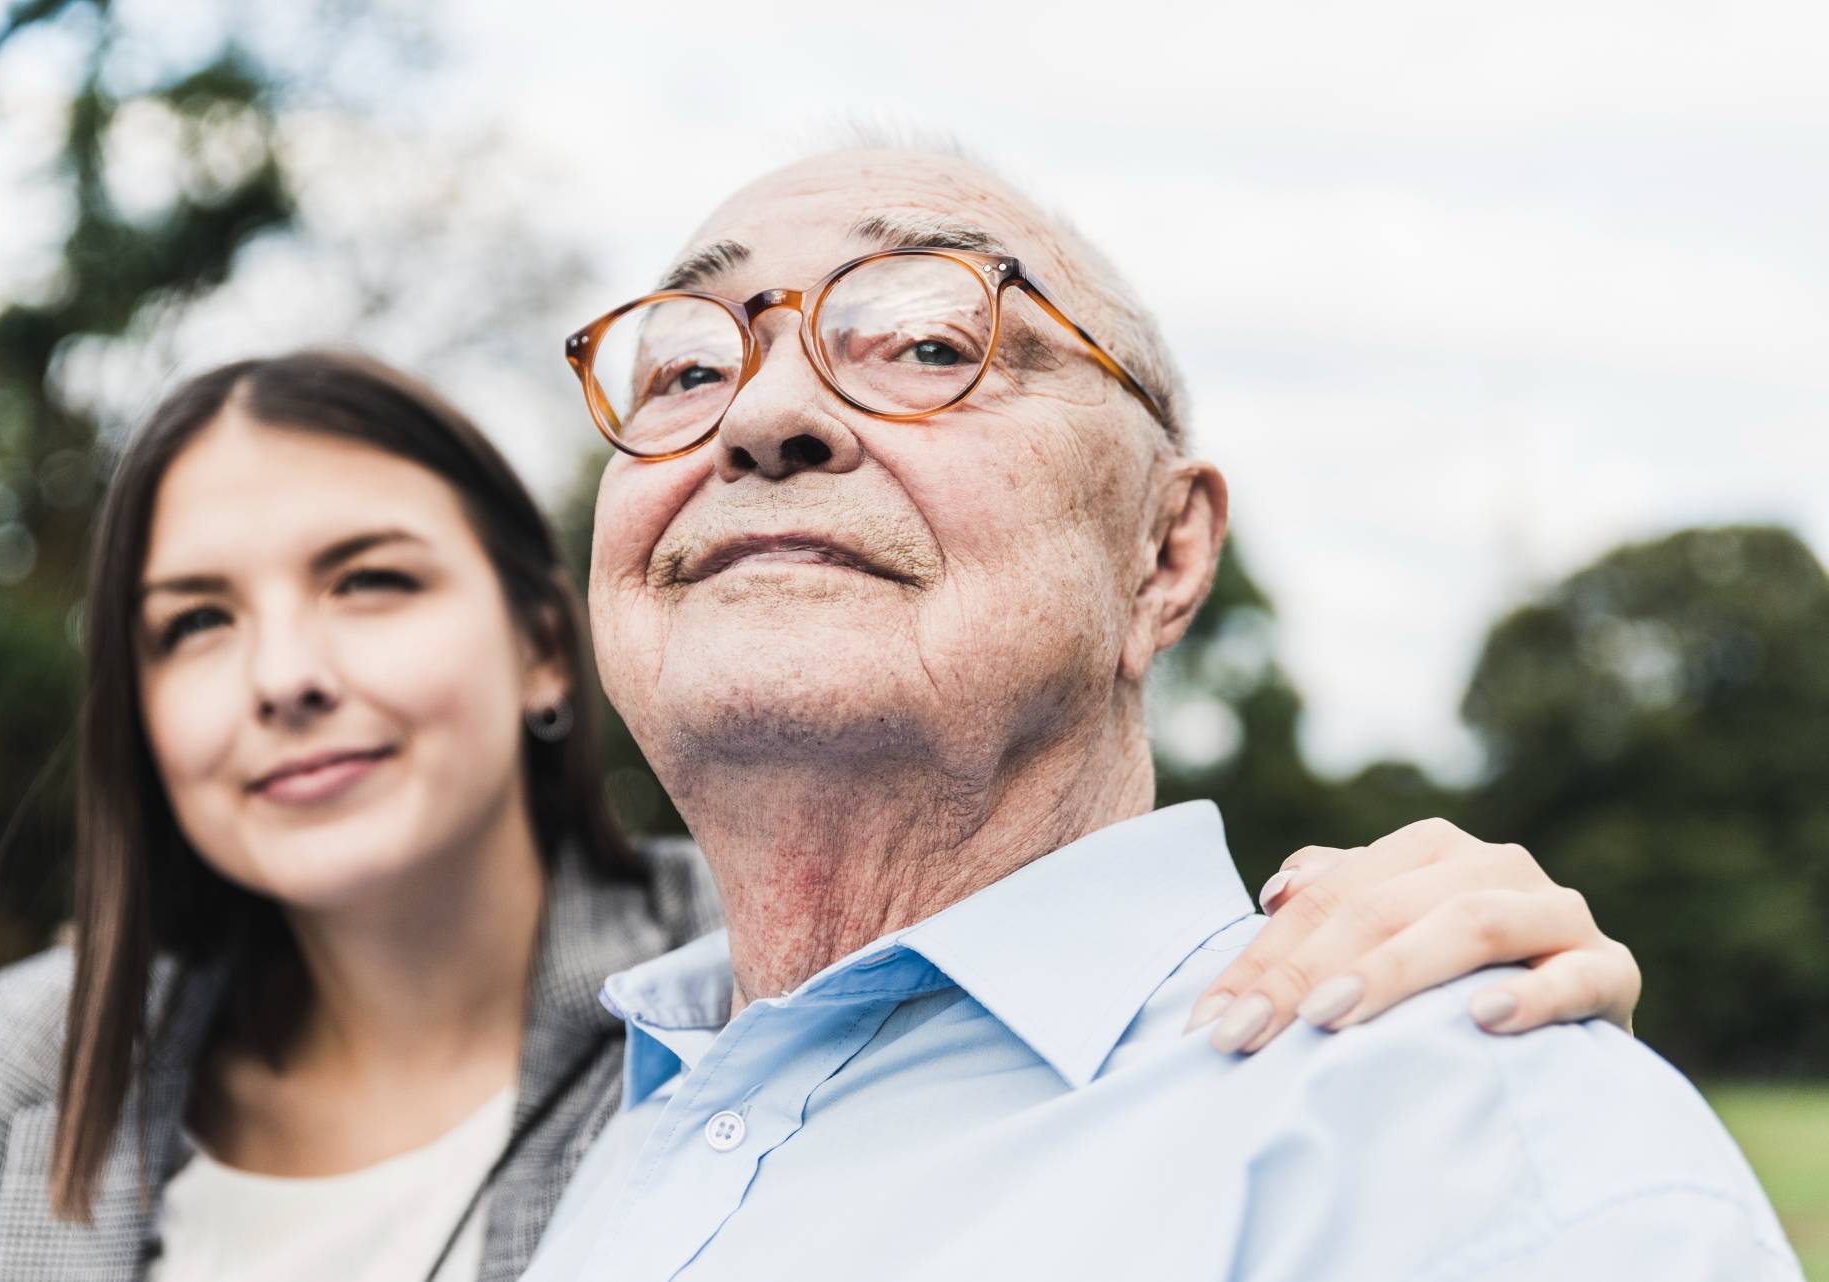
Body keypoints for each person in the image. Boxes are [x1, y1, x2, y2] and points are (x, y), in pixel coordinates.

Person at [0, 349, 1640, 1282]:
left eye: (368, 582)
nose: (279, 672)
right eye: (192, 621)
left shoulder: (778, 1000)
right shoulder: (22, 1059)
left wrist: (1442, 920)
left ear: (541, 646)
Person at [519, 146, 1802, 1280]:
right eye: (686, 366)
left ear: (1167, 552)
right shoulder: (619, 1123)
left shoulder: (1460, 1135)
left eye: (927, 342)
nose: (763, 414)